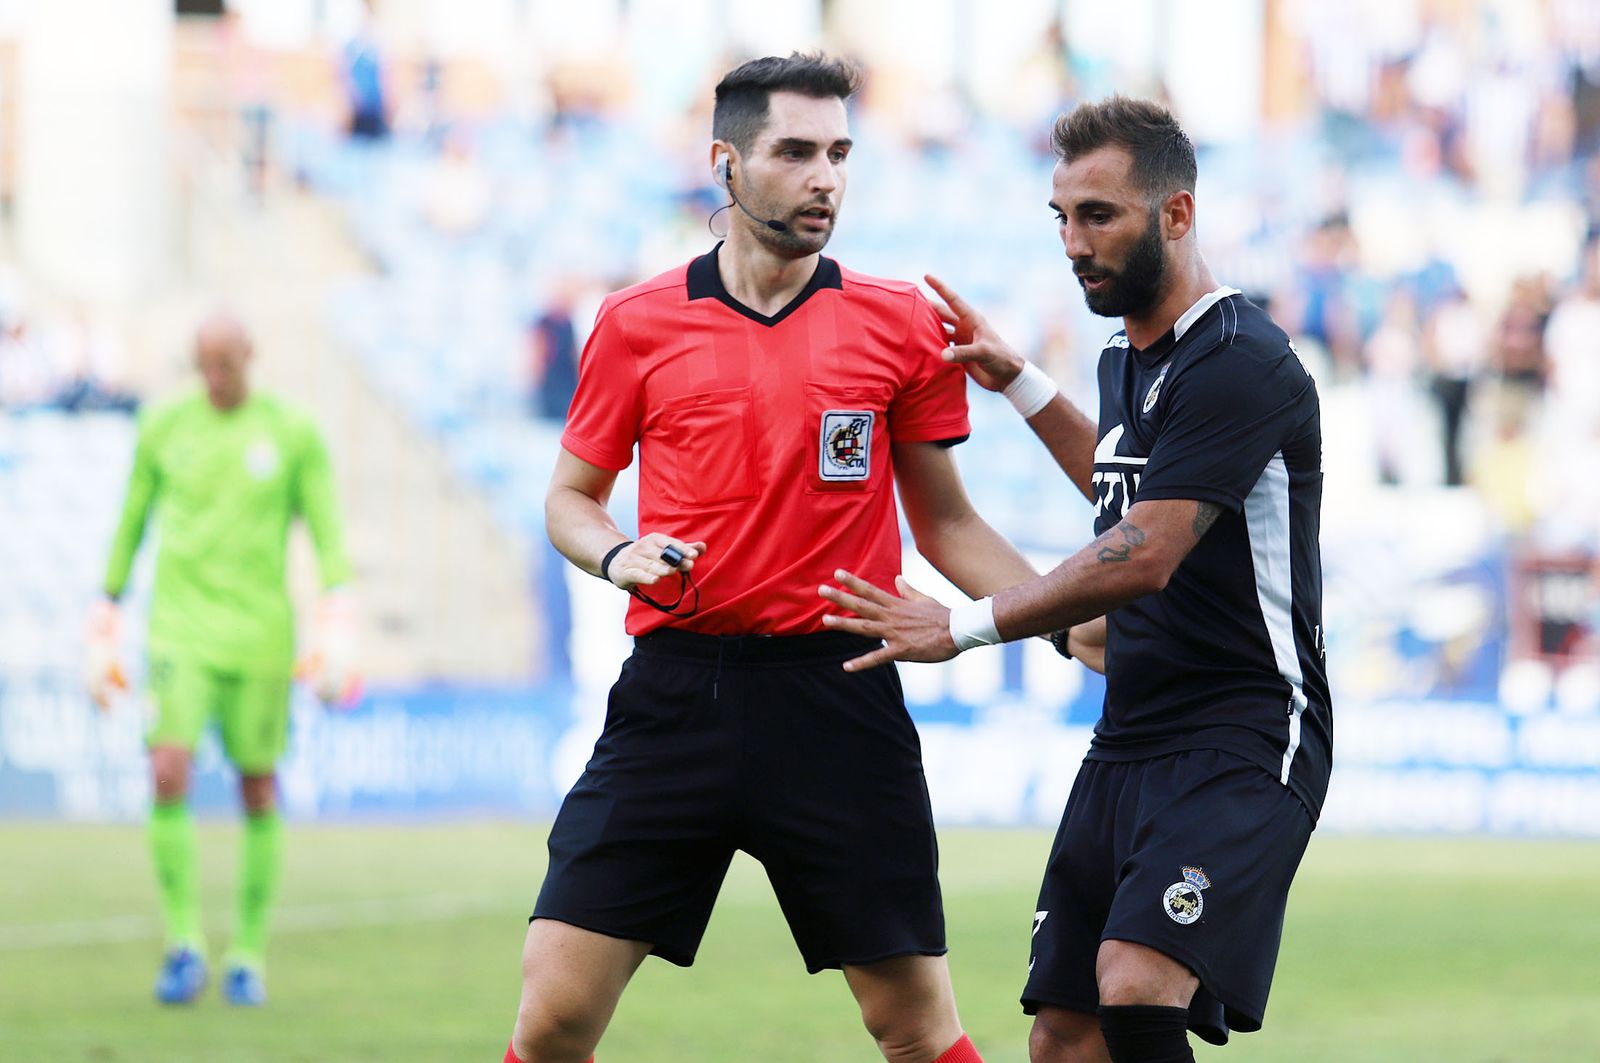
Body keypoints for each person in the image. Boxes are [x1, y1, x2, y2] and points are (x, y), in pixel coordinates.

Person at [506, 53, 1045, 1063]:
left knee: (915, 1025)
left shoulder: (899, 325)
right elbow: (568, 501)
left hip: (838, 693)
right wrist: (617, 553)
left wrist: (1068, 617)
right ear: (725, 163)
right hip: (675, 694)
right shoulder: (635, 323)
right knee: (553, 1015)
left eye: (839, 152)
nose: (825, 177)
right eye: (795, 151)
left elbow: (949, 528)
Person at [820, 97, 1331, 1063]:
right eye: (1061, 217)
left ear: (1176, 215)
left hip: (1247, 727)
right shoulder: (1125, 356)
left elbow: (1145, 549)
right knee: (1062, 1037)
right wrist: (1018, 382)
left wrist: (965, 626)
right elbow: (1124, 476)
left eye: (1100, 215)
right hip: (1133, 728)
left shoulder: (1243, 362)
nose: (1073, 242)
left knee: (1137, 985)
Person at [88, 312, 355, 1007]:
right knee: (167, 767)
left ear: (249, 355)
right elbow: (132, 517)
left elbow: (326, 527)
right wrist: (106, 608)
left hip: (262, 635)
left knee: (257, 787)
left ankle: (246, 954)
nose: (213, 377)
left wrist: (338, 613)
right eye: (202, 364)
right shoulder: (164, 425)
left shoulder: (293, 432)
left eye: (224, 364)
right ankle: (184, 945)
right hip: (178, 629)